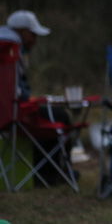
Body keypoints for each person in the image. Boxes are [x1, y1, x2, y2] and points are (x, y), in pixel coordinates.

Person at [0, 10, 75, 185]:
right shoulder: (11, 48)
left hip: (5, 111)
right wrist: (33, 100)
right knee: (59, 116)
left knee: (46, 114)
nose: (35, 41)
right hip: (11, 113)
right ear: (23, 31)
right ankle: (52, 175)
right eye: (33, 35)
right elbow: (15, 91)